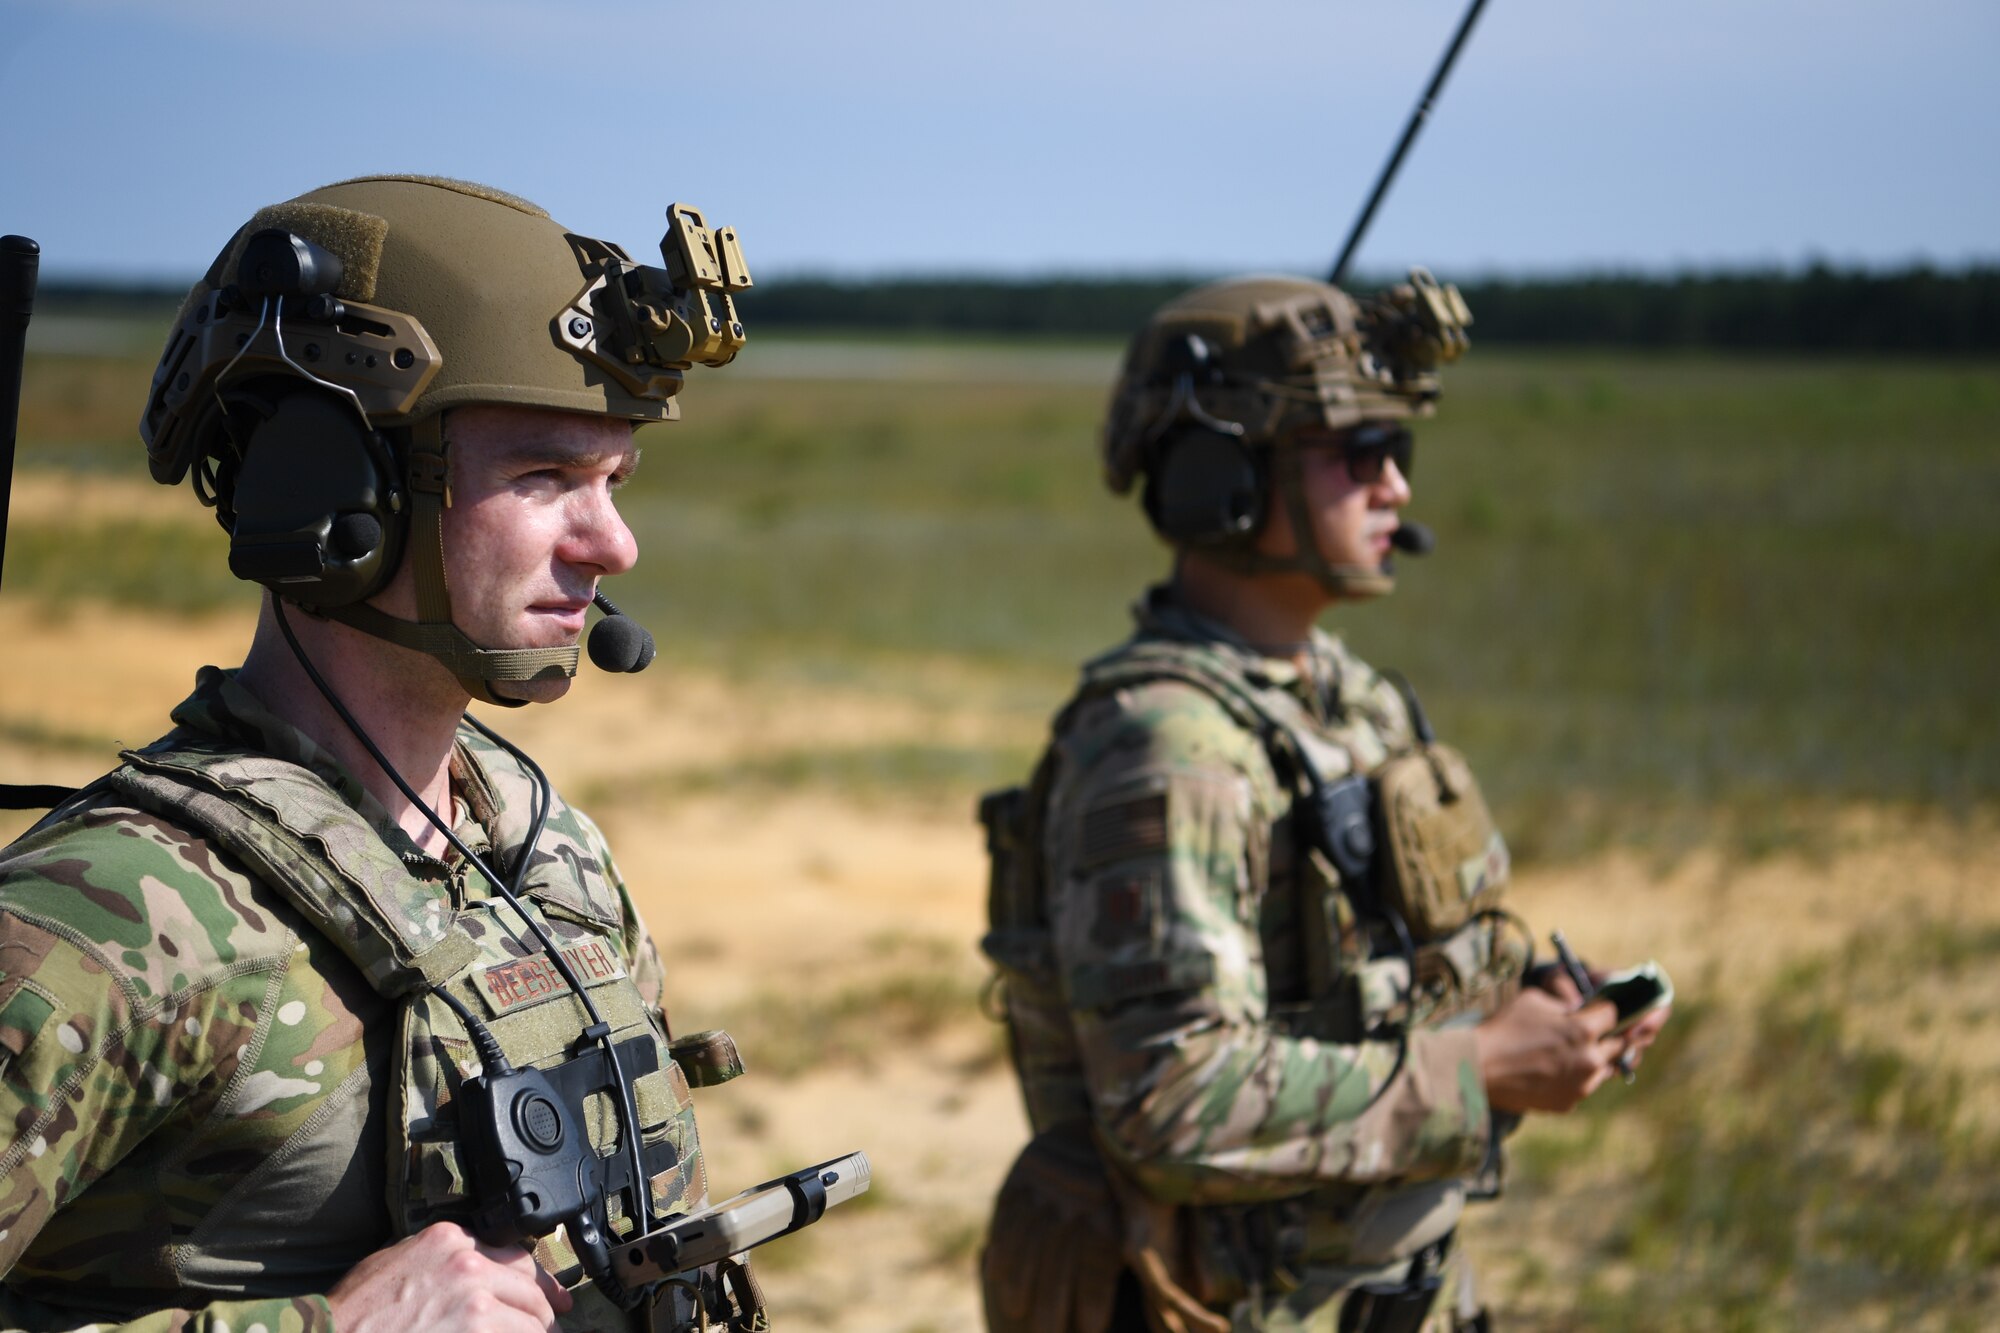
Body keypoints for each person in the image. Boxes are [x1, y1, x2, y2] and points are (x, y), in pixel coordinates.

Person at [0, 176, 762, 1332]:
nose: (613, 542)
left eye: (613, 480)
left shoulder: (539, 850)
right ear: (328, 490)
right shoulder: (109, 922)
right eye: (543, 476)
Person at [978, 272, 1669, 1333]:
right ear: (1224, 481)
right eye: (1356, 453)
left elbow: (1353, 981)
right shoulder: (1168, 747)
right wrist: (1480, 1069)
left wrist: (1538, 1010)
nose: (1393, 486)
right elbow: (1169, 1098)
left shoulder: (1345, 697)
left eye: (1399, 451)